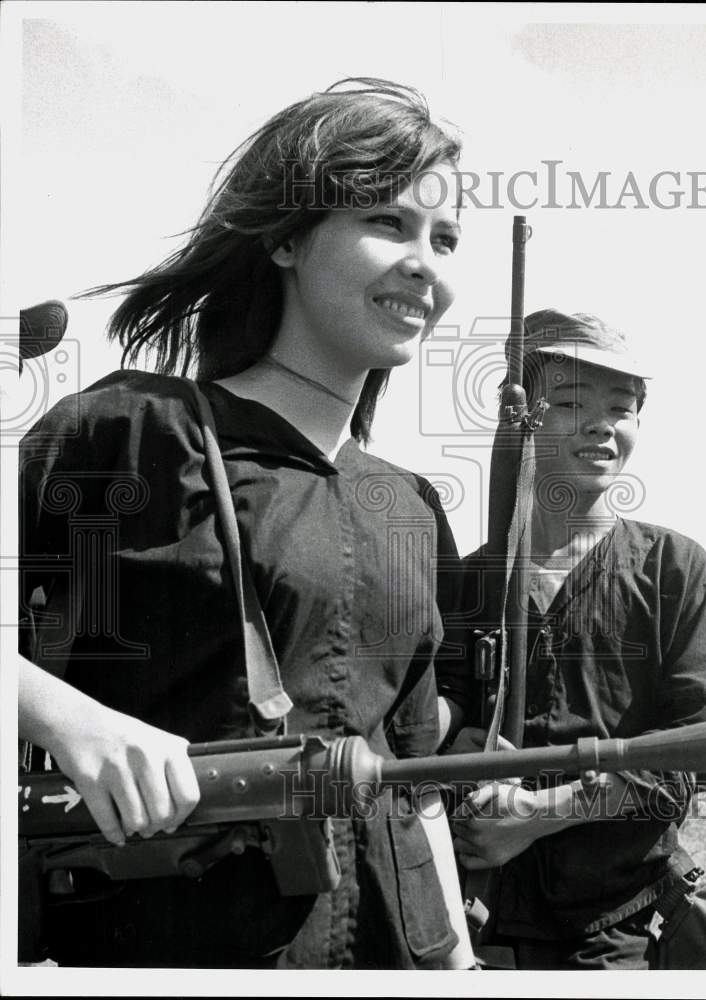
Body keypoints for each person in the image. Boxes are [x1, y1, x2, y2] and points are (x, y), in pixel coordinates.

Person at [18, 78, 474, 970]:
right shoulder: (126, 431)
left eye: (445, 238)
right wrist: (67, 719)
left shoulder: (412, 506)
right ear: (287, 240)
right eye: (387, 222)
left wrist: (457, 962)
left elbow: (412, 784)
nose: (427, 264)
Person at [437, 308, 706, 969]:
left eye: (621, 408)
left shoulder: (671, 568)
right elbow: (431, 721)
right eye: (569, 402)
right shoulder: (470, 579)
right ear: (519, 418)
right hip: (472, 924)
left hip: (620, 927)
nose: (602, 424)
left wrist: (540, 811)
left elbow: (692, 757)